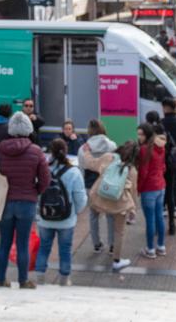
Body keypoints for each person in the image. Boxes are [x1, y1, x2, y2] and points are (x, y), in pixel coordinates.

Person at [0, 111, 51, 289]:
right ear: (29, 129)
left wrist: (0, 186)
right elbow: (45, 179)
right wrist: (35, 191)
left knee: (4, 243)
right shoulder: (36, 151)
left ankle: (0, 279)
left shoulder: (0, 149)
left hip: (5, 202)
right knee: (22, 243)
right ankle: (23, 280)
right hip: (27, 203)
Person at [34, 138, 87, 286]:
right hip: (66, 219)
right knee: (65, 249)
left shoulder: (42, 168)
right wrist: (76, 211)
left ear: (51, 151)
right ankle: (64, 280)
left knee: (44, 246)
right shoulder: (74, 172)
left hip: (45, 216)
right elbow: (80, 198)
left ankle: (40, 278)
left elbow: (36, 192)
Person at [85, 141, 140, 272]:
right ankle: (116, 260)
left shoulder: (108, 157)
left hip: (99, 197)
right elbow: (133, 191)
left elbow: (91, 163)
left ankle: (97, 244)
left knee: (93, 217)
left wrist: (86, 151)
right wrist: (133, 210)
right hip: (119, 204)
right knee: (119, 232)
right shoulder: (132, 170)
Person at [78, 119, 117, 254]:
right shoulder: (111, 145)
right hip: (108, 184)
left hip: (90, 185)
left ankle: (96, 244)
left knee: (93, 215)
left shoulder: (83, 148)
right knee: (110, 215)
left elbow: (81, 168)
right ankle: (112, 245)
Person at [136, 123, 166, 258]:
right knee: (159, 217)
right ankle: (161, 246)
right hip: (160, 186)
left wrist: (139, 188)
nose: (139, 136)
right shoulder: (161, 147)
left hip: (149, 188)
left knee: (150, 220)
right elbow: (163, 167)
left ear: (147, 134)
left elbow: (143, 172)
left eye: (141, 134)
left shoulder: (144, 149)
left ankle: (150, 249)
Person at [162, 97, 176, 228]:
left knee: (164, 187)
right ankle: (172, 221)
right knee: (174, 185)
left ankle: (163, 209)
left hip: (164, 158)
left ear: (165, 107)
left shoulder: (161, 123)